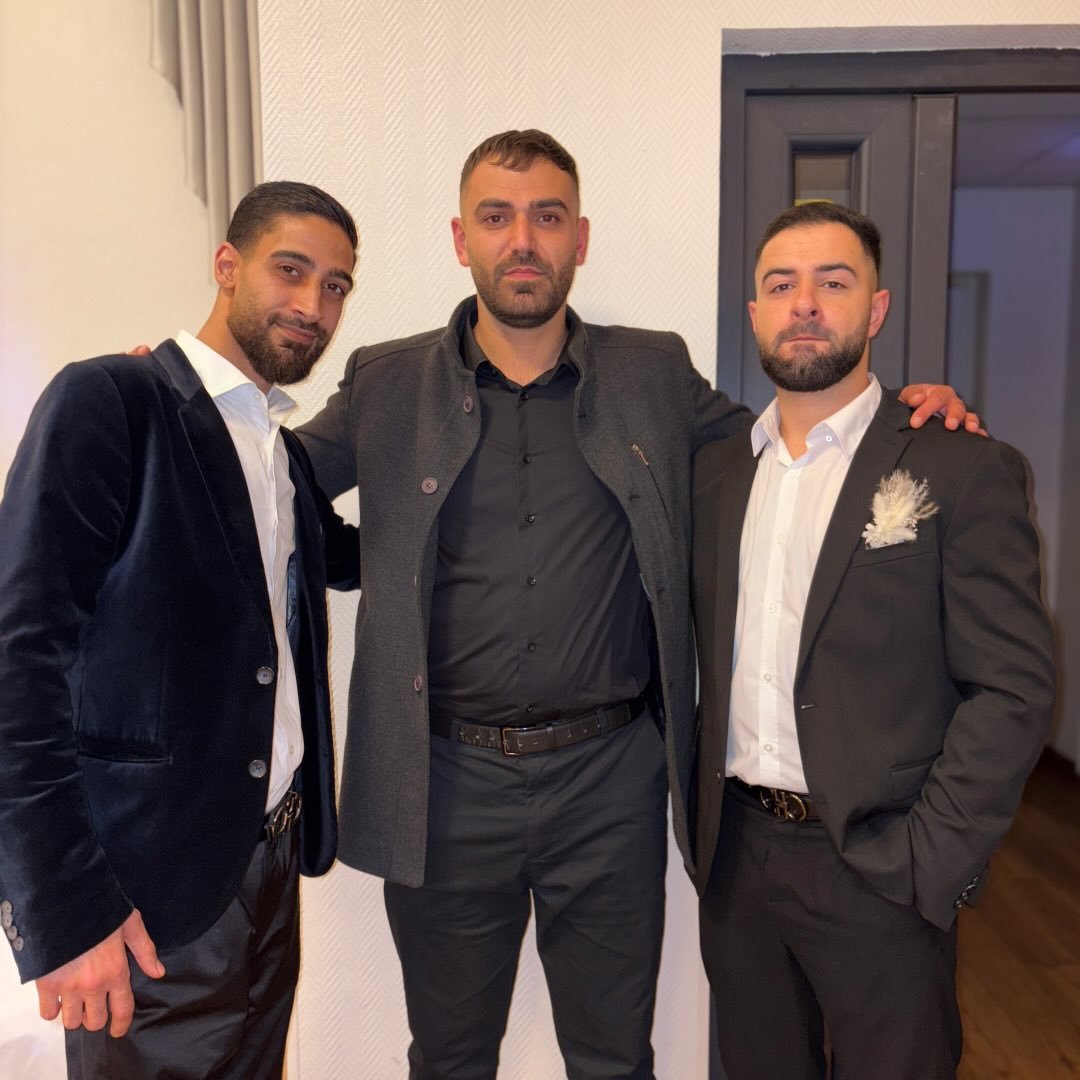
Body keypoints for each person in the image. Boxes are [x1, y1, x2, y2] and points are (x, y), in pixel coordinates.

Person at [294, 130, 975, 1079]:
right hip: (443, 785)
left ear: (580, 238)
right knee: (447, 1058)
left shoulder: (653, 374)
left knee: (616, 1058)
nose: (522, 239)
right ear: (461, 238)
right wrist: (184, 409)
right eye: (496, 217)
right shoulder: (386, 381)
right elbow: (273, 489)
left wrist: (904, 416)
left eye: (547, 216)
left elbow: (788, 450)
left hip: (608, 785)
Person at [0, 181, 361, 1078]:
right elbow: (17, 660)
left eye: (335, 286)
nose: (313, 305)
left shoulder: (280, 451)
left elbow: (353, 558)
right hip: (143, 897)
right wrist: (65, 912)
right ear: (226, 265)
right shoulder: (112, 400)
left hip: (270, 869)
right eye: (291, 271)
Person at [690, 201, 1055, 1079]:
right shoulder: (714, 473)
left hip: (881, 868)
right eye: (782, 285)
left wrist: (931, 860)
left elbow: (1014, 688)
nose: (805, 304)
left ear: (876, 308)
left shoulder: (959, 465)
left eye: (833, 282)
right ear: (755, 313)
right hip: (736, 862)